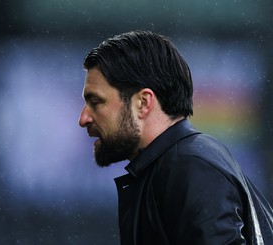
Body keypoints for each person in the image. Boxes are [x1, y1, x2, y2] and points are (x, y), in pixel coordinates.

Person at [78, 30, 273, 244]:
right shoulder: (174, 164)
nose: (83, 118)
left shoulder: (189, 166)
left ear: (143, 103)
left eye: (95, 101)